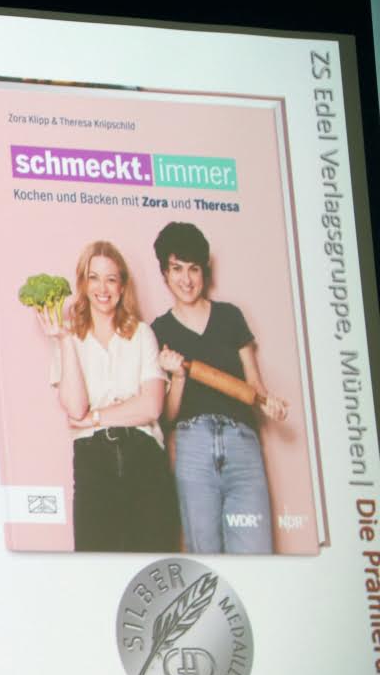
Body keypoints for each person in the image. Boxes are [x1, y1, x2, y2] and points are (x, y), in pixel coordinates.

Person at [151, 221, 287, 554]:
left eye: (193, 269)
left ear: (204, 271)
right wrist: (177, 376)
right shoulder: (159, 330)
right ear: (165, 274)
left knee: (256, 557)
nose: (186, 279)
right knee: (207, 561)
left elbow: (254, 384)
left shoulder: (230, 316)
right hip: (193, 447)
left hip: (242, 444)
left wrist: (269, 402)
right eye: (177, 269)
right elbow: (167, 416)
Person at [38, 240, 179, 552]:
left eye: (111, 279)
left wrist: (96, 416)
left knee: (152, 557)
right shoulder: (70, 338)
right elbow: (75, 408)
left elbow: (152, 406)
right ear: (83, 284)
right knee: (95, 562)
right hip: (93, 459)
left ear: (122, 286)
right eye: (94, 278)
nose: (103, 288)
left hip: (143, 454)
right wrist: (65, 340)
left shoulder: (142, 334)